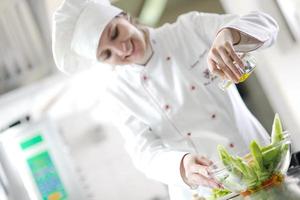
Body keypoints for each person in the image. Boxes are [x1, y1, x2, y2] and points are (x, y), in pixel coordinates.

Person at [52, 0, 279, 199]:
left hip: (258, 165)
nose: (120, 50)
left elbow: (267, 24)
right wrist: (181, 165)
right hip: (203, 192)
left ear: (122, 16)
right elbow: (143, 151)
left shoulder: (188, 30)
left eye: (114, 33)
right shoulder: (118, 92)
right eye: (107, 54)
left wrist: (228, 35)